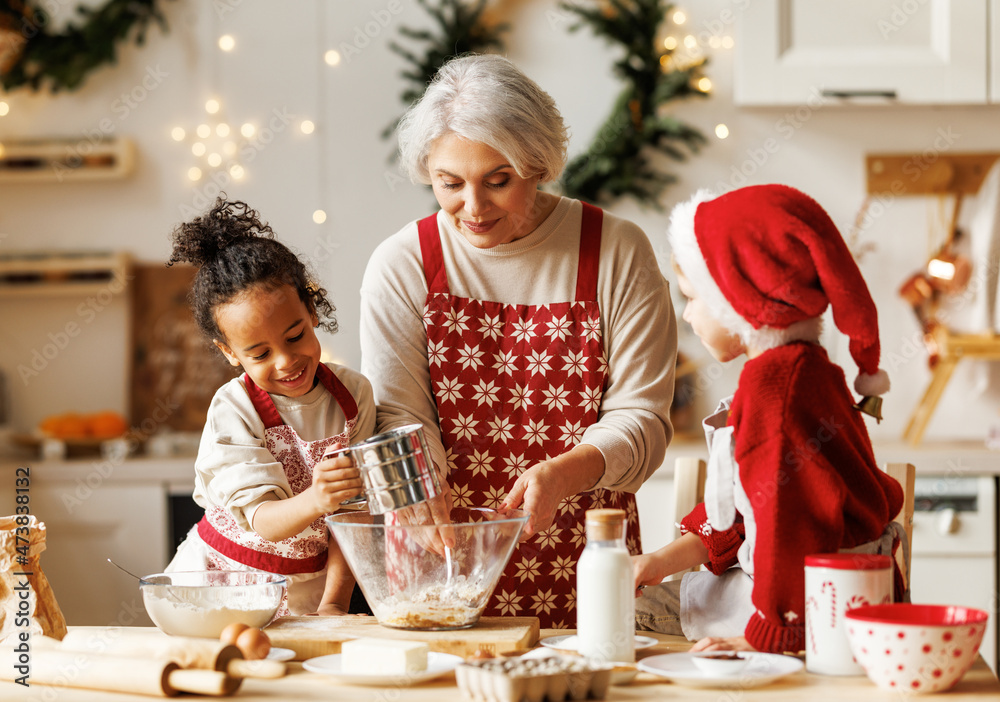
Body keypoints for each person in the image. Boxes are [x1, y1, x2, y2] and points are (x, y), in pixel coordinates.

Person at [359, 54, 677, 628]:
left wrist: (564, 473)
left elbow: (644, 419)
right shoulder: (402, 264)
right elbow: (396, 412)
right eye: (449, 184)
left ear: (538, 166)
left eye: (498, 181)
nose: (473, 209)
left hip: (586, 562)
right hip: (440, 561)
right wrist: (417, 491)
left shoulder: (615, 252)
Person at [633, 184, 907, 653]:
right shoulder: (807, 368)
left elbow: (789, 529)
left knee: (631, 613)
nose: (689, 315)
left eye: (693, 297)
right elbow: (750, 508)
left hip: (816, 610)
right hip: (820, 592)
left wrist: (762, 641)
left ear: (737, 299)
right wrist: (663, 558)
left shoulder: (775, 392)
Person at [165, 197, 374, 616]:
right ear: (229, 353)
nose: (285, 361)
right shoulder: (234, 409)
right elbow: (263, 520)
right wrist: (318, 498)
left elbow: (356, 519)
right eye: (259, 354)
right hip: (220, 585)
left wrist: (333, 602)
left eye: (294, 336)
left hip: (307, 590)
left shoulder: (353, 397)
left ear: (312, 310)